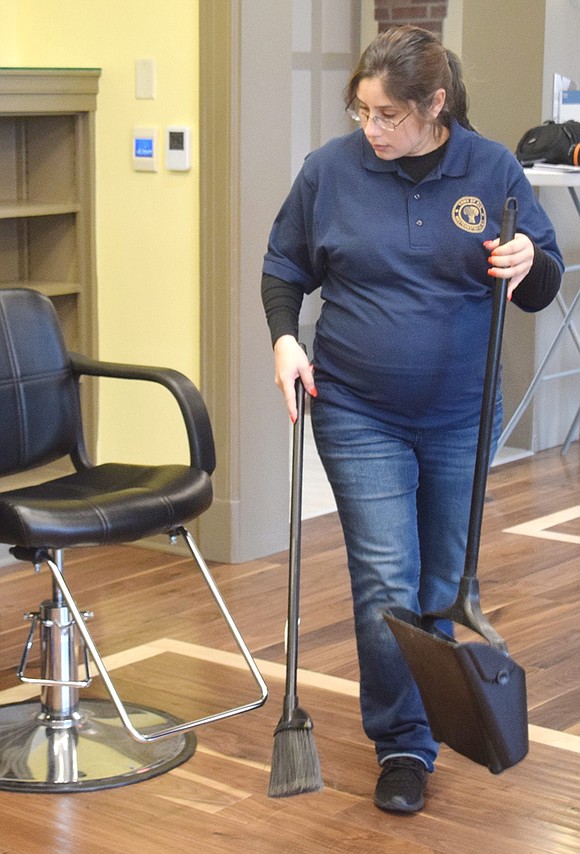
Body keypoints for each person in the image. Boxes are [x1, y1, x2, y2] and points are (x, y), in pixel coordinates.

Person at [261, 25, 563, 814]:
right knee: (385, 581)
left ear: (435, 106)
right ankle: (402, 743)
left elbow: (540, 281)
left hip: (463, 413)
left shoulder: (492, 169)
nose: (372, 129)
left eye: (389, 114)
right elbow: (284, 266)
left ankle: (445, 715)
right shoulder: (329, 172)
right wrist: (287, 339)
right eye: (363, 111)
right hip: (358, 410)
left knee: (441, 582)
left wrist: (530, 261)